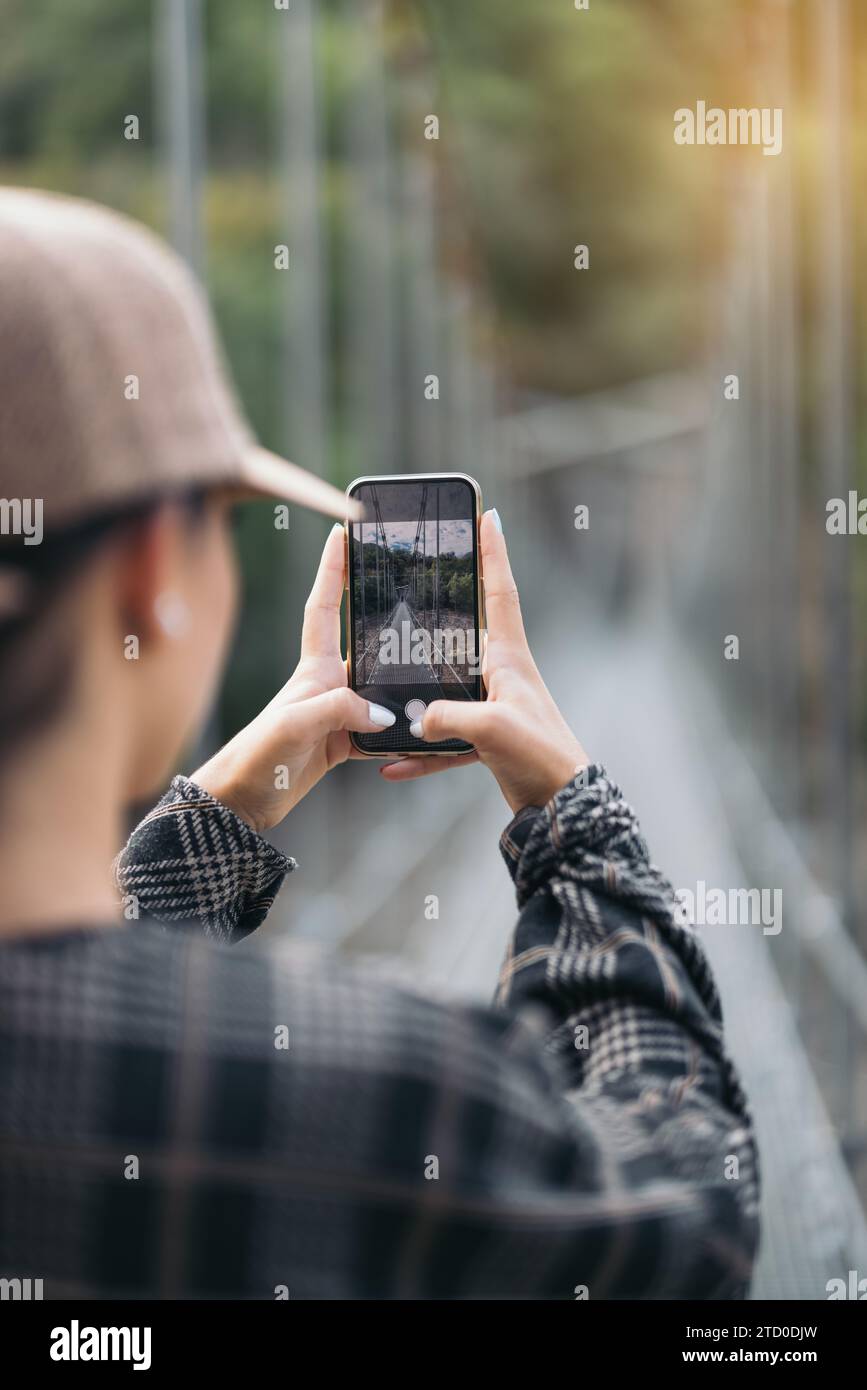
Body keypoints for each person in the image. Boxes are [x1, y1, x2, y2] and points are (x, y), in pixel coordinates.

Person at [0, 188, 758, 1300]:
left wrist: (212, 832)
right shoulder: (390, 1096)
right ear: (153, 574)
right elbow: (691, 1217)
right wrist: (581, 838)